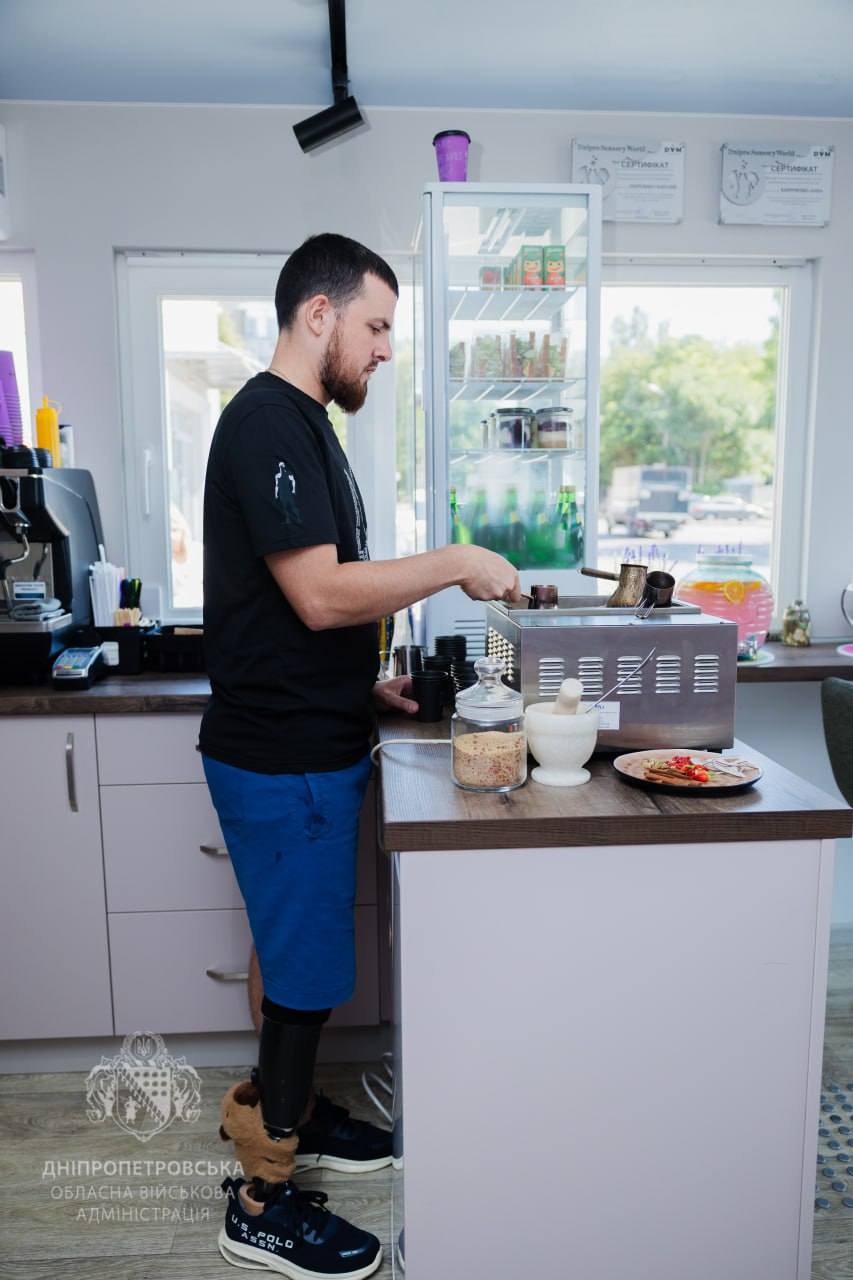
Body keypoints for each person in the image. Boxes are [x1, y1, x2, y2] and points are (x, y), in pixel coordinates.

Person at [200, 232, 521, 1279]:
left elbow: (305, 609)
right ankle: (260, 1200)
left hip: (311, 732)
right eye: (376, 326)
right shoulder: (266, 421)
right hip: (281, 755)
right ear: (318, 315)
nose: (384, 348)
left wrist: (359, 686)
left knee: (289, 950)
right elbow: (319, 593)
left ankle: (287, 1111)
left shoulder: (305, 425)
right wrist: (456, 561)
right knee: (303, 975)